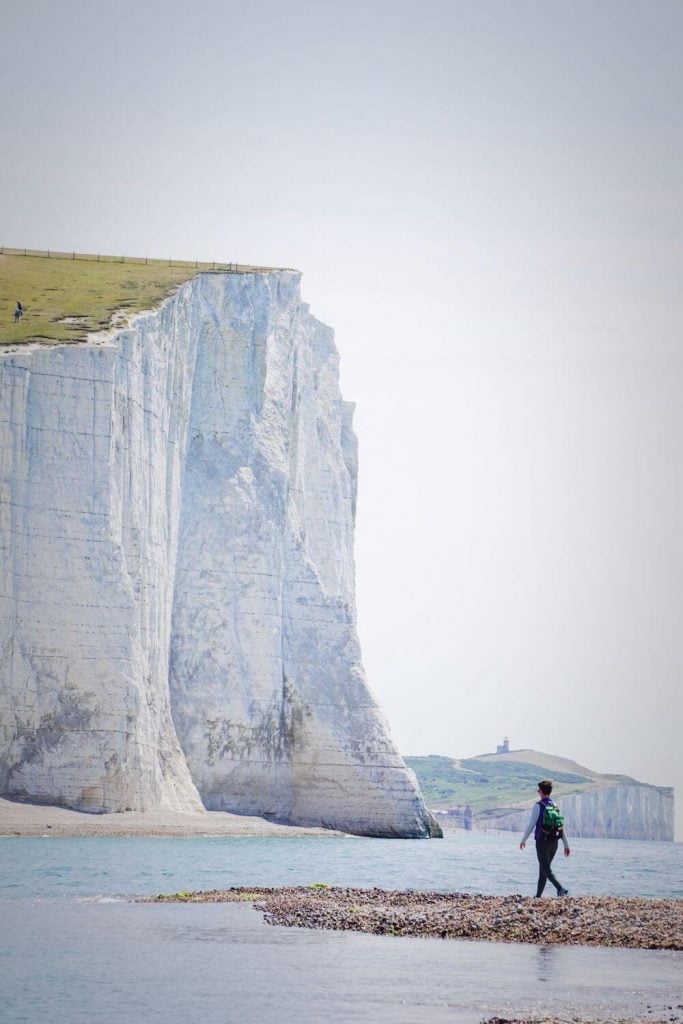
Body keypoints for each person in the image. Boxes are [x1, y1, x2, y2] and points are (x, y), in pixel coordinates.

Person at [519, 779, 570, 897]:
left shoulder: (538, 806)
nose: (538, 792)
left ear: (541, 792)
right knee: (544, 869)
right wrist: (566, 845)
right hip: (555, 843)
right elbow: (560, 826)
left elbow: (531, 825)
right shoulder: (555, 806)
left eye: (538, 790)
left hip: (542, 842)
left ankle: (560, 888)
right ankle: (538, 896)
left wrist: (523, 840)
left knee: (545, 869)